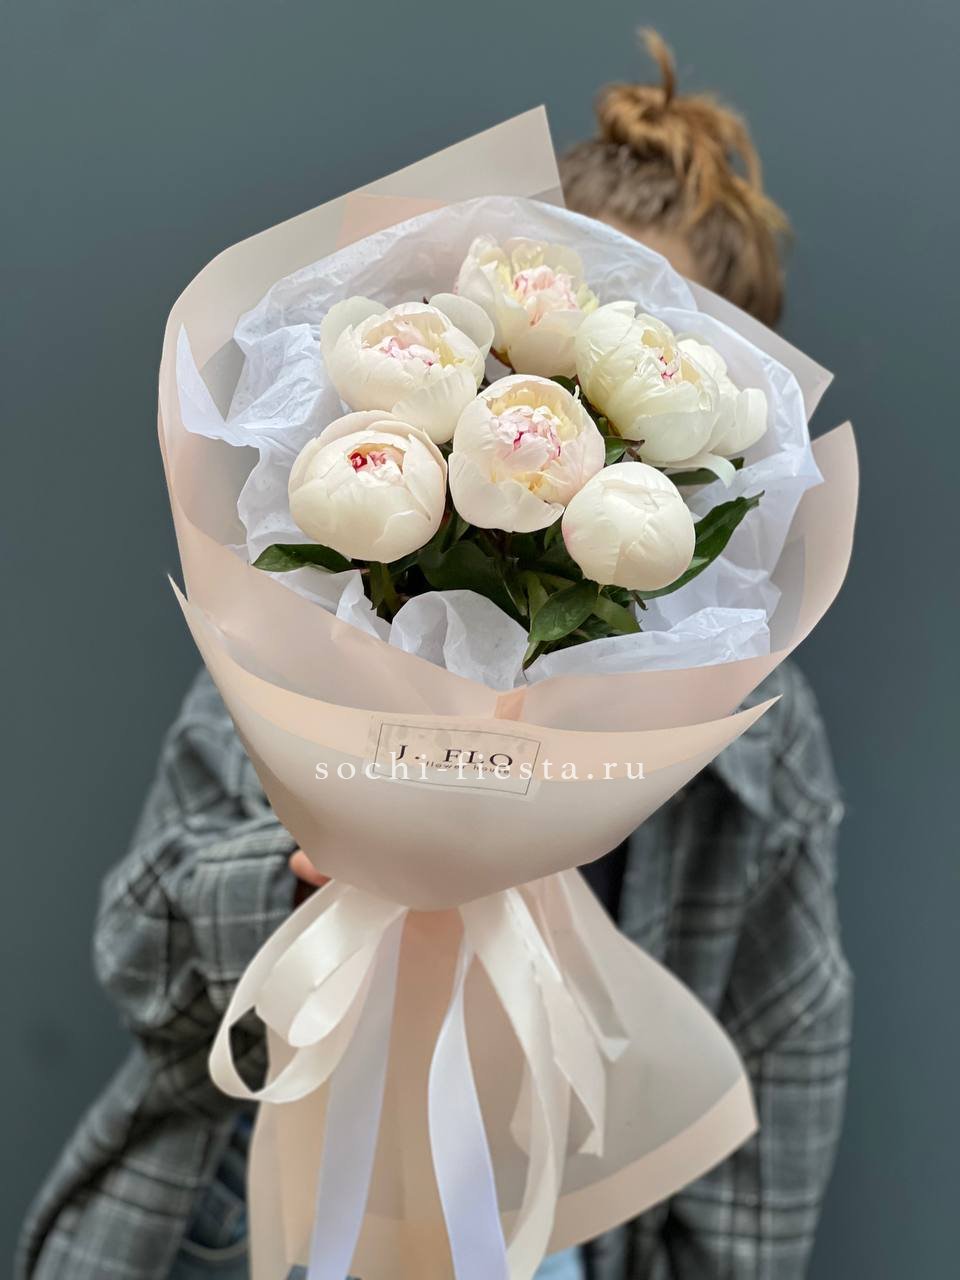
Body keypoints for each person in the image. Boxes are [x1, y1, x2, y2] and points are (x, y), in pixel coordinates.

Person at [17, 30, 851, 1280]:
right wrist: (300, 885)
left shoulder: (756, 752)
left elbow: (771, 1111)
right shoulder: (322, 619)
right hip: (234, 1217)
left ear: (731, 459)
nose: (591, 434)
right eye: (578, 350)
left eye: (663, 386)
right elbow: (139, 958)